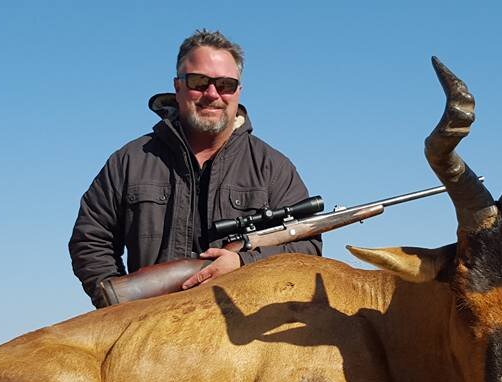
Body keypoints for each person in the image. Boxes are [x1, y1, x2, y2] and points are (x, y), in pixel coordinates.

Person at [69, 30, 322, 308]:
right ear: (178, 87)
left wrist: (243, 261)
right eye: (199, 82)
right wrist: (119, 308)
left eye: (225, 84)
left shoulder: (272, 167)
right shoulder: (130, 160)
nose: (212, 94)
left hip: (241, 341)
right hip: (150, 330)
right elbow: (91, 239)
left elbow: (307, 247)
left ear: (238, 92)